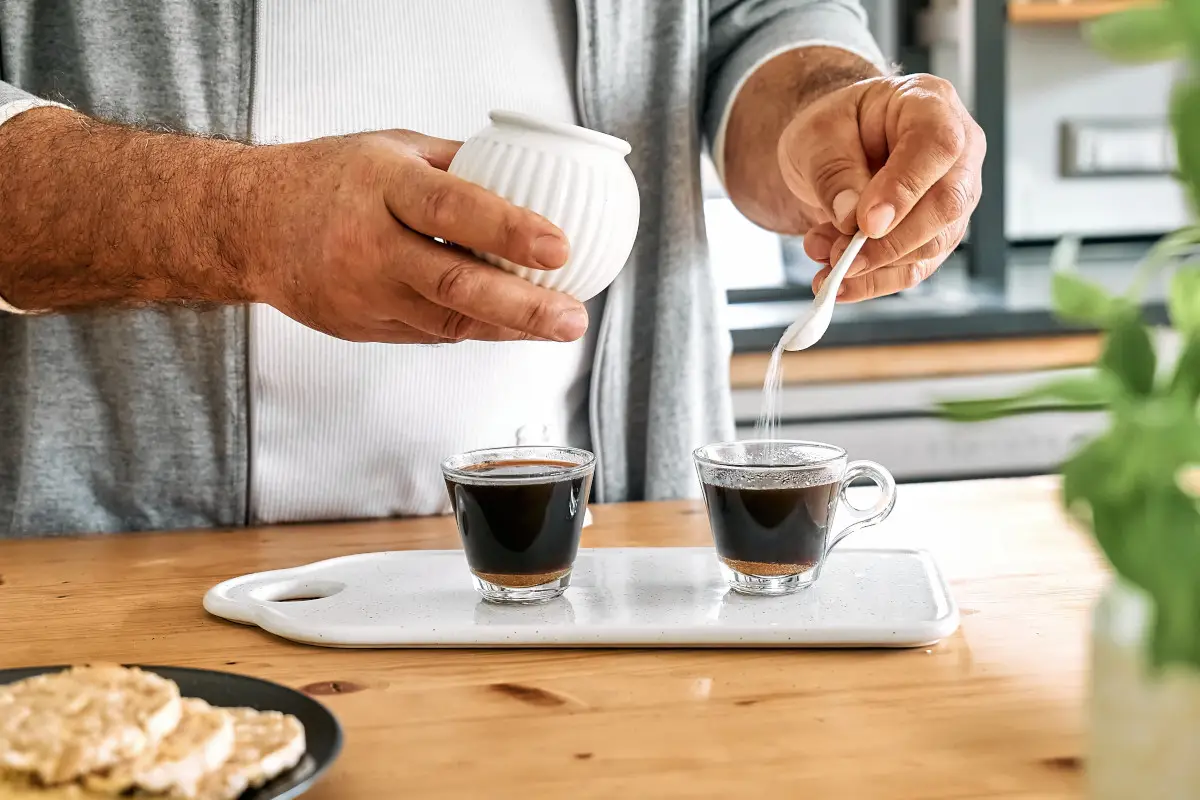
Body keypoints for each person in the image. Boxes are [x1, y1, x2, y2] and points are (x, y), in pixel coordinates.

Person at [0, 1, 984, 537]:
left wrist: (828, 108)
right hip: (124, 565)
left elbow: (747, 18)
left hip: (603, 568)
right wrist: (237, 218)